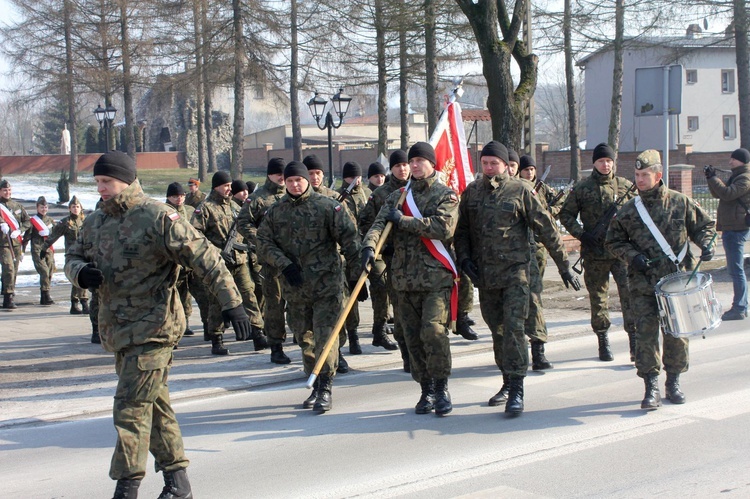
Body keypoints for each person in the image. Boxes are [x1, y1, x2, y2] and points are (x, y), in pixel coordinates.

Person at [64, 151, 252, 499]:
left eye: (107, 181)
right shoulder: (96, 222)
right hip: (118, 330)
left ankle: (127, 487)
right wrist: (80, 273)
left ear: (126, 179)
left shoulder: (157, 217)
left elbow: (206, 258)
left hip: (155, 329)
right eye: (98, 182)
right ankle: (178, 484)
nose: (101, 188)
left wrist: (233, 304)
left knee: (130, 408)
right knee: (154, 405)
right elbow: (73, 256)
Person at [455, 141, 580, 417]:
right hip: (486, 278)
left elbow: (546, 229)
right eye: (485, 162)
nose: (489, 167)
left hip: (516, 275)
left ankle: (517, 389)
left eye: (494, 163)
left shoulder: (520, 190)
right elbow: (461, 231)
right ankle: (507, 381)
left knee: (513, 331)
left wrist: (564, 266)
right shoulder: (472, 192)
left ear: (504, 164)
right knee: (498, 333)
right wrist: (464, 260)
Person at [606, 149, 716, 410]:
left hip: (678, 283)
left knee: (676, 334)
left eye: (645, 175)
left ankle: (674, 381)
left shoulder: (680, 202)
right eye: (636, 175)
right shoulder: (630, 210)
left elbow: (705, 226)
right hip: (644, 283)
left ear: (658, 175)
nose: (640, 180)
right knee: (645, 335)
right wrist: (632, 257)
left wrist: (706, 244)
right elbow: (613, 240)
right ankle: (651, 385)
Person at [362, 142, 459, 416]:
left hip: (434, 279)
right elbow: (377, 225)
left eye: (419, 161)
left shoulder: (446, 195)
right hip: (403, 280)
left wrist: (403, 221)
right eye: (411, 161)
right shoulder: (397, 196)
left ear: (432, 164)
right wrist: (369, 247)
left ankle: (441, 387)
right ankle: (425, 389)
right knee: (412, 338)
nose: (414, 166)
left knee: (434, 332)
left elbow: (443, 227)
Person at [257, 161, 360, 413]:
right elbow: (263, 242)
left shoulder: (328, 207)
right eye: (290, 180)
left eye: (299, 180)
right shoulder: (275, 211)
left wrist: (357, 276)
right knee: (305, 338)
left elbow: (350, 240)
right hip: (296, 288)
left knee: (326, 337)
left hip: (327, 286)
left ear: (306, 181)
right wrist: (284, 264)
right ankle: (313, 380)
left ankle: (325, 386)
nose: (294, 184)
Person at [559, 143, 637, 362]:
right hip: (594, 253)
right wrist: (582, 235)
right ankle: (603, 340)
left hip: (622, 253)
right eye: (601, 161)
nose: (606, 164)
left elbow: (639, 214)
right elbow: (566, 215)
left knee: (629, 296)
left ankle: (634, 341)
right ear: (594, 162)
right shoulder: (583, 188)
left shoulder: (626, 187)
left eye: (609, 160)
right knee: (599, 298)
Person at [191, 171, 267, 355]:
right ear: (216, 186)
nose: (229, 189)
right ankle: (216, 338)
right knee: (218, 300)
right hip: (217, 263)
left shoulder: (234, 206)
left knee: (249, 296)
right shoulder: (205, 208)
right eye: (225, 185)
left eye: (230, 185)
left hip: (239, 261)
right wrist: (216, 252)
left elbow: (244, 228)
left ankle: (258, 333)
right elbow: (195, 235)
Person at [360, 150, 412, 371]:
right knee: (389, 294)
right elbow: (366, 222)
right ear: (391, 168)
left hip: (413, 257)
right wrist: (379, 243)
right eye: (397, 165)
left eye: (405, 164)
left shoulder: (416, 190)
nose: (402, 169)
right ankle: (384, 332)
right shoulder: (381, 195)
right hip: (386, 254)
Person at [237, 157, 292, 365]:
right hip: (271, 262)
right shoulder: (258, 198)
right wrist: (261, 239)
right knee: (274, 304)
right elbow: (242, 222)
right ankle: (276, 346)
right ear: (269, 174)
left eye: (283, 173)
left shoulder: (291, 195)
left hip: (293, 259)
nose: (281, 176)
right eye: (277, 173)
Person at [517, 154, 558, 370]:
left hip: (535, 251)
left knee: (534, 300)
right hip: (507, 262)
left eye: (532, 169)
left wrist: (549, 214)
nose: (529, 173)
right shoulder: (510, 192)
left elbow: (555, 213)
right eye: (525, 169)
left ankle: (538, 350)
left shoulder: (539, 190)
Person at [705, 147, 750, 320]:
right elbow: (718, 194)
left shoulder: (745, 178)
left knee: (736, 270)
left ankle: (739, 307)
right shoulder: (737, 176)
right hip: (731, 227)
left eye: (734, 159)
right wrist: (711, 178)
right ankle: (741, 306)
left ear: (742, 161)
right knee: (735, 269)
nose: (730, 161)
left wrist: (714, 178)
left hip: (736, 229)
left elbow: (728, 194)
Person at [44, 196, 90, 316]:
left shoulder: (86, 221)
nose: (76, 209)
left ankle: (79, 302)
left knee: (82, 278)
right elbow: (54, 235)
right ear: (69, 208)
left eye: (78, 207)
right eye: (73, 207)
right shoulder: (65, 222)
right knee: (77, 278)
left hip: (84, 254)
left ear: (81, 208)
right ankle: (79, 303)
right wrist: (44, 248)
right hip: (72, 255)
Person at [166, 182, 195, 338]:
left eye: (182, 196)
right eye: (175, 196)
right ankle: (172, 328)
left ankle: (186, 323)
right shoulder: (164, 212)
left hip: (189, 261)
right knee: (172, 297)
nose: (179, 199)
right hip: (173, 261)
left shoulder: (190, 211)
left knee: (187, 295)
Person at [0, 179, 30, 309]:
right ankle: (8, 297)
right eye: (5, 190)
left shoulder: (17, 206)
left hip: (16, 243)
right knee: (8, 268)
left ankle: (8, 289)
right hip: (3, 244)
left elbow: (27, 221)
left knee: (14, 270)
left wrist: (20, 230)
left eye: (9, 190)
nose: (8, 192)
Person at [23, 196, 56, 306]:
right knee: (44, 271)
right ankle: (46, 294)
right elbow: (27, 237)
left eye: (46, 207)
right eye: (42, 207)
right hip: (37, 249)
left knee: (50, 272)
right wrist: (22, 250)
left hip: (48, 249)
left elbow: (56, 233)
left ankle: (44, 296)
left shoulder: (50, 220)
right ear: (37, 208)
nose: (44, 209)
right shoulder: (33, 221)